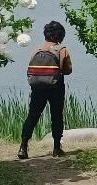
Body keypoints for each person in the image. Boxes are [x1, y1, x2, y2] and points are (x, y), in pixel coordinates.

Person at [19, 21, 75, 159]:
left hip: (37, 87)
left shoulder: (36, 50)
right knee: (56, 116)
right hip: (55, 87)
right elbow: (68, 71)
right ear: (60, 35)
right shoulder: (62, 50)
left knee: (32, 116)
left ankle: (23, 147)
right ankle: (56, 148)